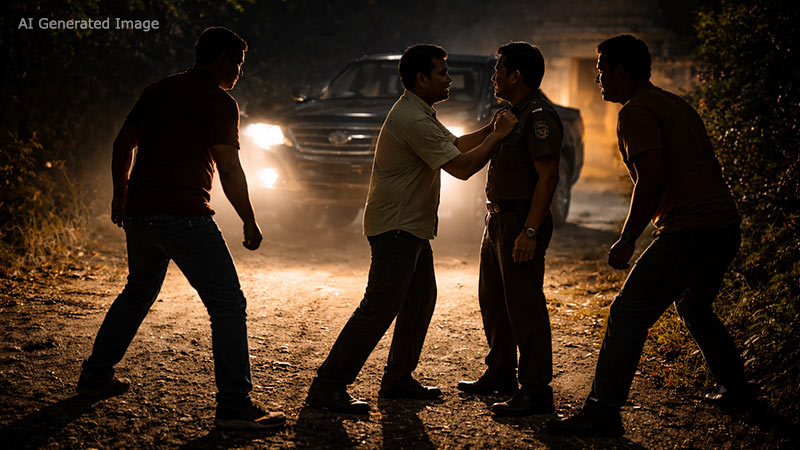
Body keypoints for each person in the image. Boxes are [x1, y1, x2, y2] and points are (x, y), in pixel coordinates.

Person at [76, 27, 286, 430]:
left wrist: (120, 196)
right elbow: (228, 166)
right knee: (227, 304)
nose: (239, 72)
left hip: (140, 213)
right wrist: (249, 218)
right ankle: (234, 405)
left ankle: (95, 375)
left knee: (137, 293)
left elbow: (123, 144)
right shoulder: (220, 102)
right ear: (221, 59)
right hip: (184, 214)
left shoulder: (157, 90)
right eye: (237, 63)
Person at [547, 35, 753, 437]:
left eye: (602, 70)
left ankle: (603, 410)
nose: (598, 78)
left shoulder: (636, 112)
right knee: (695, 307)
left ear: (620, 72)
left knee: (628, 311)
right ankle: (738, 389)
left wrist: (627, 238)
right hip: (722, 227)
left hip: (691, 231)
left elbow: (651, 180)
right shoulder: (673, 103)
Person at [305, 44, 518, 413]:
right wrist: (498, 137)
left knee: (420, 299)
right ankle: (328, 384)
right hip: (398, 228)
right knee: (378, 308)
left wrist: (491, 127)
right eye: (442, 74)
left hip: (410, 226)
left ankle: (397, 378)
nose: (449, 80)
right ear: (422, 79)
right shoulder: (414, 119)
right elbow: (463, 167)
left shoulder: (420, 111)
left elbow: (453, 145)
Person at [456, 42, 562, 417]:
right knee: (494, 300)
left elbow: (548, 178)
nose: (494, 76)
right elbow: (473, 141)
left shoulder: (538, 116)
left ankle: (536, 390)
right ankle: (501, 372)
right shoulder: (509, 113)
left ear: (517, 76)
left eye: (499, 70)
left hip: (520, 219)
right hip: (498, 217)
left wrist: (530, 232)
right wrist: (436, 148)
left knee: (525, 306)